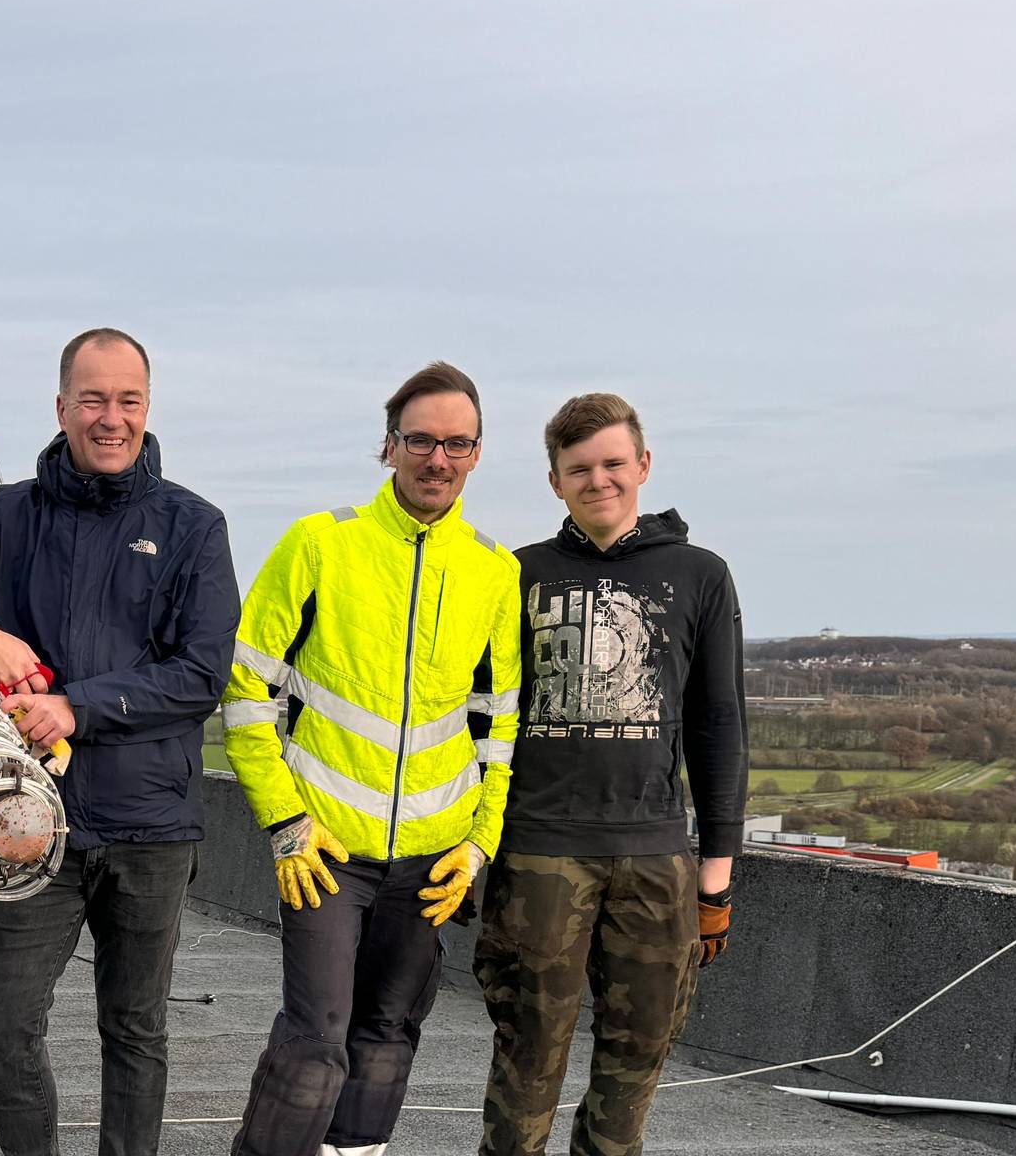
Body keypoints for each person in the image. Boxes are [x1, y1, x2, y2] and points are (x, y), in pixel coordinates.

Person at [0, 328, 239, 1156]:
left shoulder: (193, 527)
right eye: (93, 399)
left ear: (148, 407)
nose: (111, 418)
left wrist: (79, 707)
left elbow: (202, 674)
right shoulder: (11, 515)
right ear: (62, 407)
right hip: (27, 827)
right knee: (0, 1030)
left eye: (128, 400)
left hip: (153, 829)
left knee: (135, 1032)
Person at [222, 361, 524, 1156]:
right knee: (316, 1039)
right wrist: (283, 818)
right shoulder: (321, 543)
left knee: (388, 1035)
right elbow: (247, 688)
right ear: (388, 446)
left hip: (432, 859)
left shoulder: (497, 571)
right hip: (326, 847)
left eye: (457, 443)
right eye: (421, 439)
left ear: (478, 453)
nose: (438, 459)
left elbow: (500, 724)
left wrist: (478, 842)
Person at [476, 392, 747, 1156]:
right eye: (578, 469)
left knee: (635, 1066)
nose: (599, 480)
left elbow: (719, 726)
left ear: (644, 465)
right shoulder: (515, 574)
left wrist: (716, 878)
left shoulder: (700, 574)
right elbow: (478, 717)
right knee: (526, 1062)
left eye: (613, 463)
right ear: (555, 481)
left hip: (654, 856)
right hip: (536, 852)